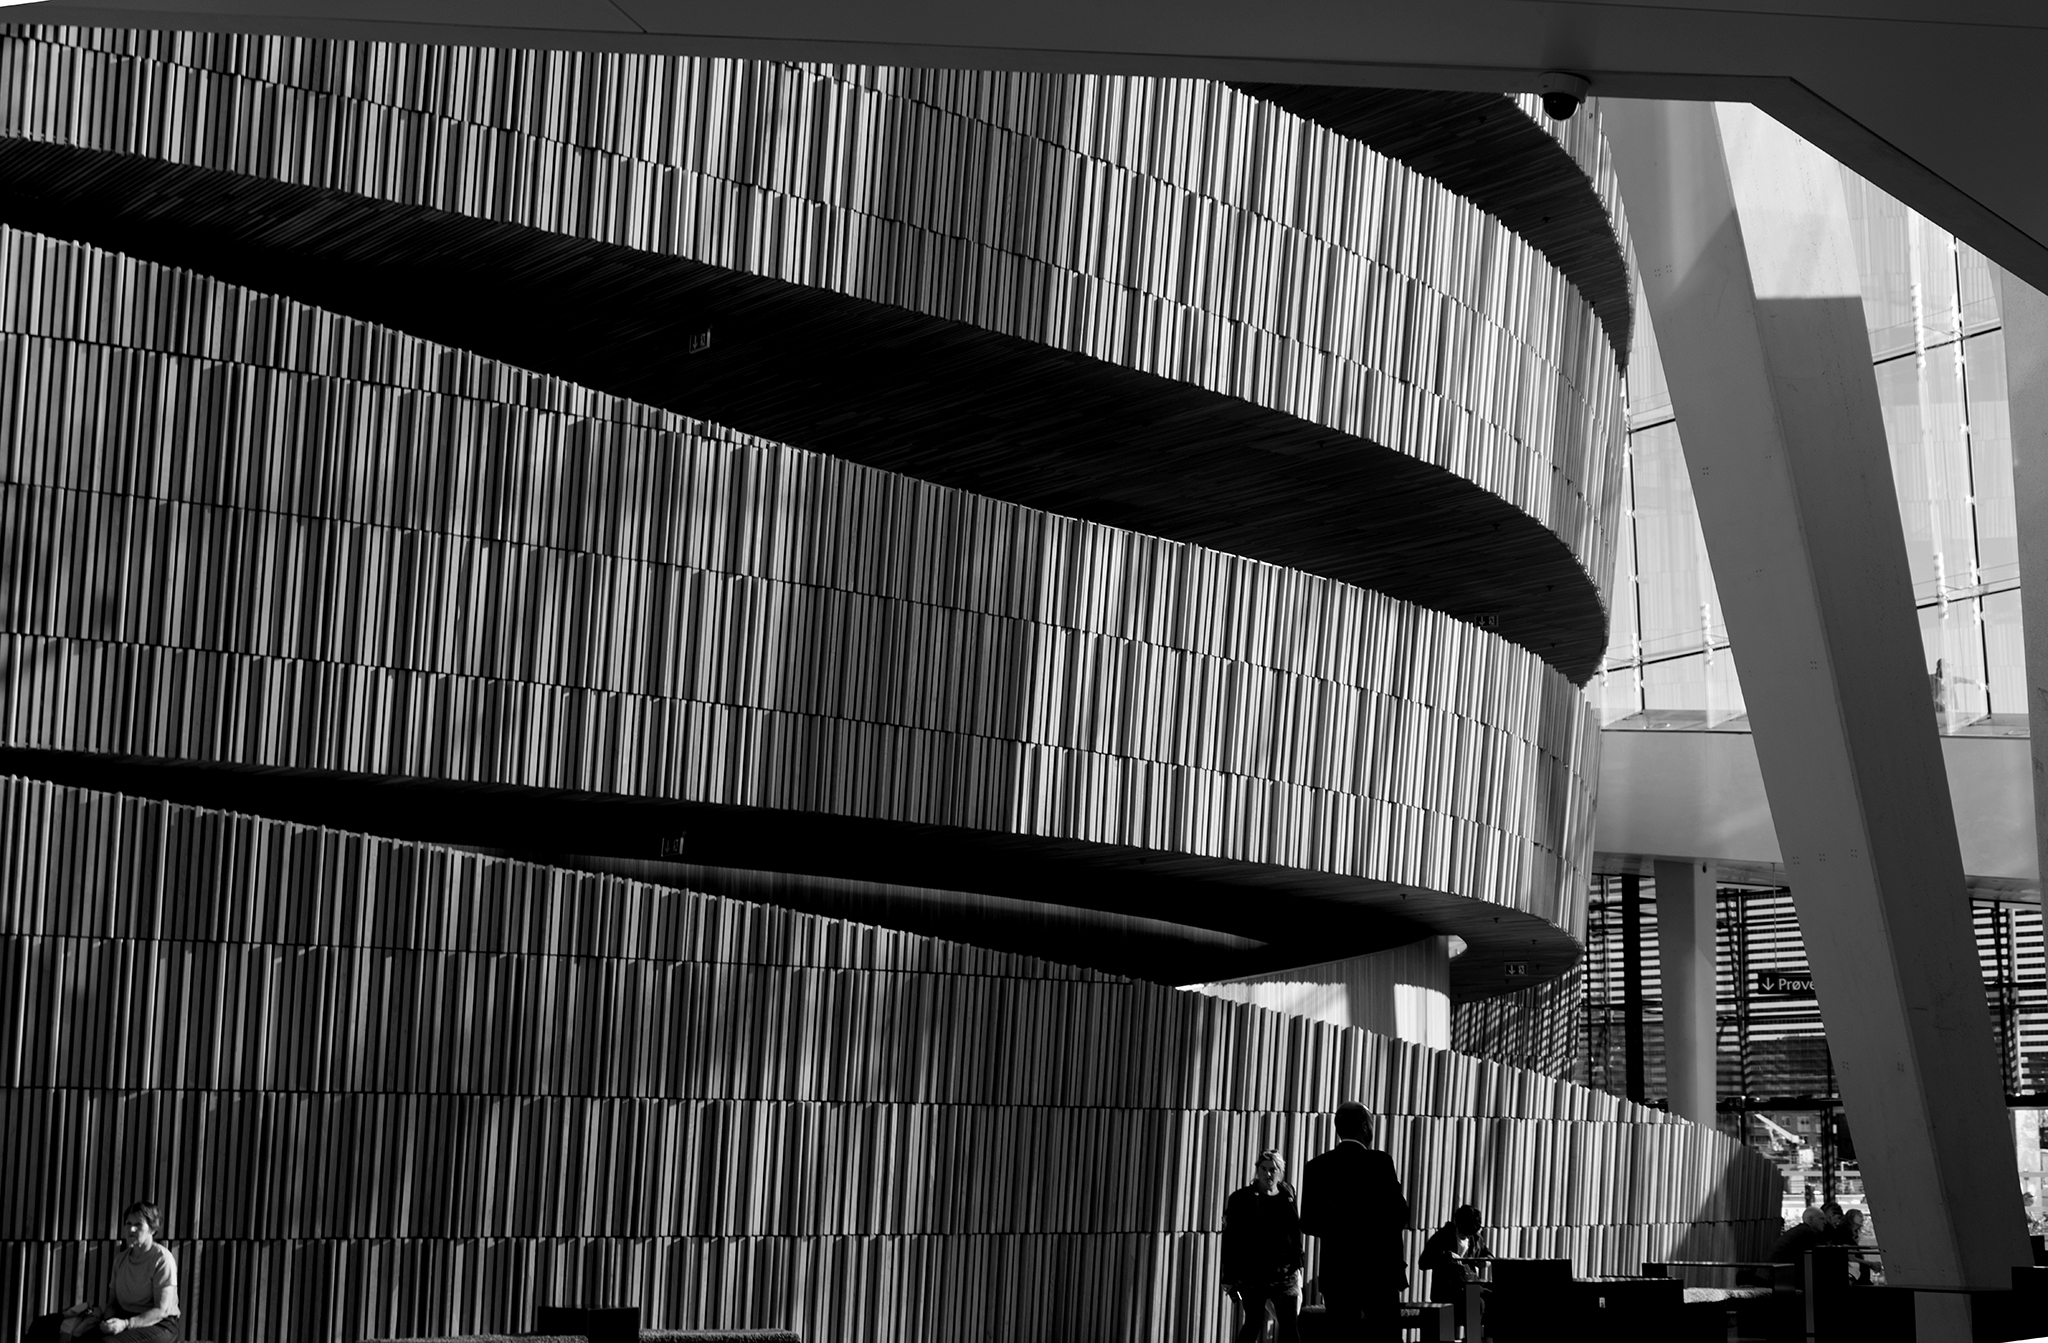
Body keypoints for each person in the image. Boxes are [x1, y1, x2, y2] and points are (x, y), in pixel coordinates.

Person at [1300, 1102, 1409, 1343]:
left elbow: (1307, 1223)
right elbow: (1400, 1215)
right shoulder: (1380, 1163)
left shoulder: (1316, 1166)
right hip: (1378, 1272)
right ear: (1364, 1126)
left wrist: (1339, 1229)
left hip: (1337, 1273)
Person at [23, 1202, 183, 1343]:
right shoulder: (121, 1260)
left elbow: (162, 1310)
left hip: (159, 1324)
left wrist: (126, 1324)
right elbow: (113, 1303)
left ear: (152, 1229)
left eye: (139, 1224)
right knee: (59, 1331)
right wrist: (107, 1321)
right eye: (128, 1223)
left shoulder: (162, 1259)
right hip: (123, 1318)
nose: (131, 1229)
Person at [1220, 1149, 1304, 1343]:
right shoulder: (1241, 1199)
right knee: (1253, 1322)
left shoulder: (1287, 1193)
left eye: (1273, 1169)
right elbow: (1231, 1239)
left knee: (1290, 1326)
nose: (1268, 1174)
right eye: (1264, 1169)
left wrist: (1298, 1260)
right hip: (1254, 1275)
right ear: (1257, 1171)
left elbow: (1294, 1229)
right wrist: (1229, 1276)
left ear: (1280, 1171)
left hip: (1285, 1273)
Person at [1418, 1204, 1492, 1325]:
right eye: (1464, 1233)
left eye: (1470, 1234)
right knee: (1477, 1303)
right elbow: (1423, 1263)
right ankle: (1473, 1340)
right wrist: (1446, 1257)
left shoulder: (1475, 1237)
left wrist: (1485, 1262)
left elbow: (1488, 1255)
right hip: (1447, 1290)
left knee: (1497, 1298)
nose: (1467, 1236)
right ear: (1458, 1224)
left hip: (1471, 1286)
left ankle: (1488, 1338)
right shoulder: (1442, 1237)